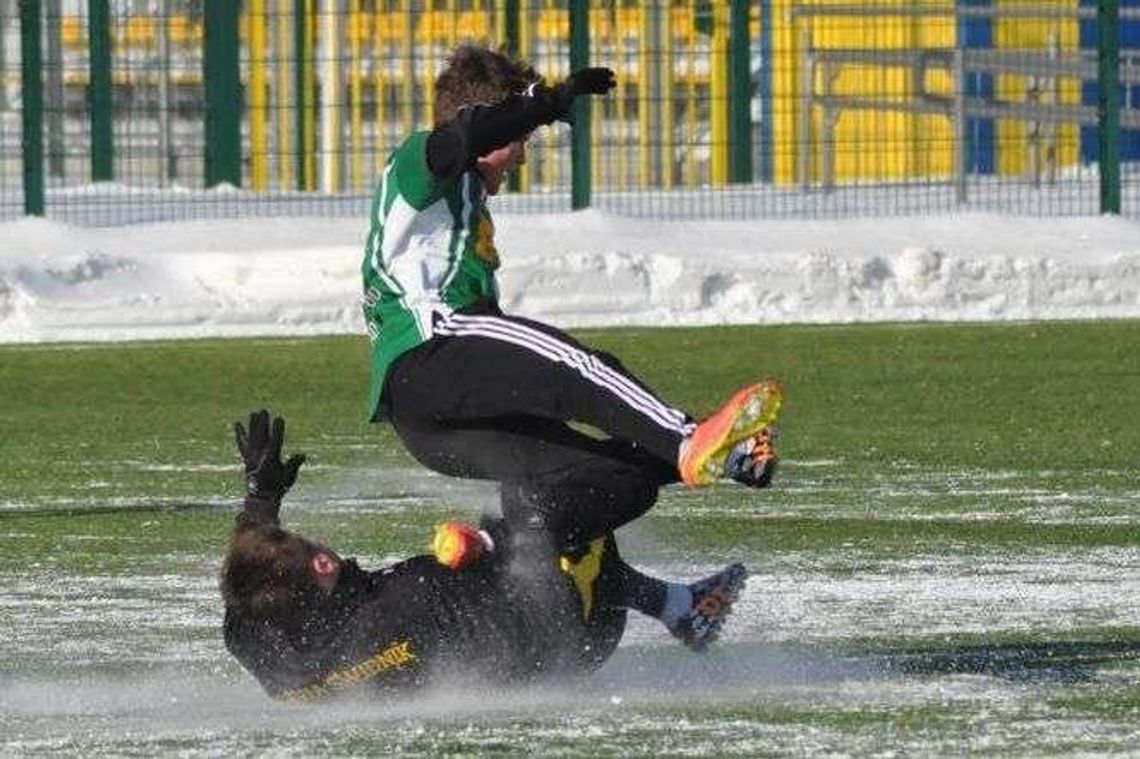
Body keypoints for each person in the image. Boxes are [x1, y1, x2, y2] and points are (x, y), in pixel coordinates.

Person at [359, 43, 783, 543]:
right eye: (520, 138)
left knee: (611, 479)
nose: (521, 155)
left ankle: (494, 561)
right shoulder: (418, 158)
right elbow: (470, 133)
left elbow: (479, 133)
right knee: (580, 367)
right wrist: (545, 101)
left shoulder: (461, 205)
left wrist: (725, 455)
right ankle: (689, 439)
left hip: (435, 425)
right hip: (431, 354)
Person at [222, 411, 747, 702]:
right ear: (321, 566)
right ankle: (702, 455)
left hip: (517, 638)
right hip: (566, 643)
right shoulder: (409, 601)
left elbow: (245, 580)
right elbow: (526, 589)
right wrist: (489, 540)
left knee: (546, 534)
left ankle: (682, 607)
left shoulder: (257, 639)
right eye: (310, 546)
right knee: (533, 495)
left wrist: (260, 501)